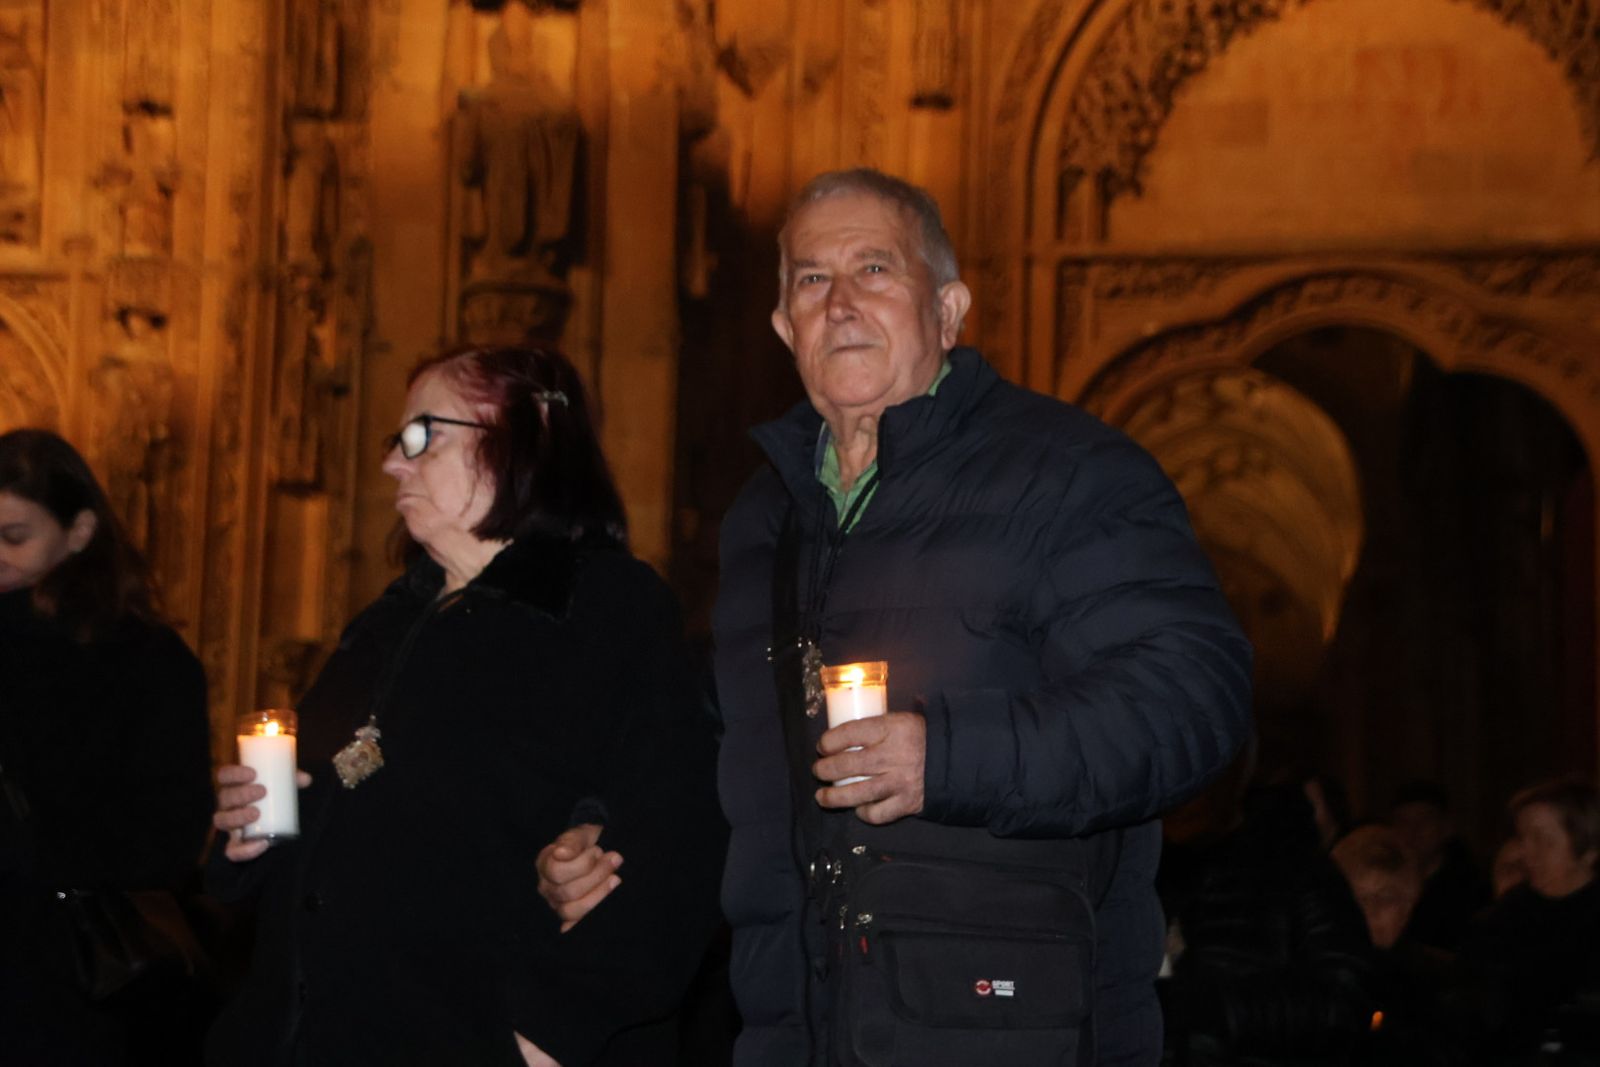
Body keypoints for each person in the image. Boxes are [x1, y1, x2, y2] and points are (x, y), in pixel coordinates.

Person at [541, 167, 1253, 1065]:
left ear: (949, 311)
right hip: (795, 1028)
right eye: (810, 280)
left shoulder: (1069, 473)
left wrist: (948, 755)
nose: (839, 303)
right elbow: (727, 747)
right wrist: (613, 833)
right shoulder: (767, 517)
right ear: (781, 327)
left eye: (875, 270)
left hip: (1011, 1032)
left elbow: (1195, 697)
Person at [207, 345, 724, 1066]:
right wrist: (252, 833)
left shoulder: (607, 609)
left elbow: (677, 843)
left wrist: (544, 1037)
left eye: (424, 435)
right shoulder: (386, 622)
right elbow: (341, 804)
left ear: (528, 436)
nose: (393, 463)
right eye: (397, 440)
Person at [0, 428, 213, 1065]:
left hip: (66, 978)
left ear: (82, 531)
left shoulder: (145, 659)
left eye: (14, 538)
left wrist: (28, 843)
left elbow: (170, 835)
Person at [1438, 778, 1600, 1061]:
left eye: (1542, 839)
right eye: (1523, 838)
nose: (1526, 852)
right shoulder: (1499, 922)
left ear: (1588, 848)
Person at [1388, 781, 1489, 953]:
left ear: (1446, 827)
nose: (1413, 831)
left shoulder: (1470, 888)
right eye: (1403, 822)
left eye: (1424, 820)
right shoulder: (1384, 882)